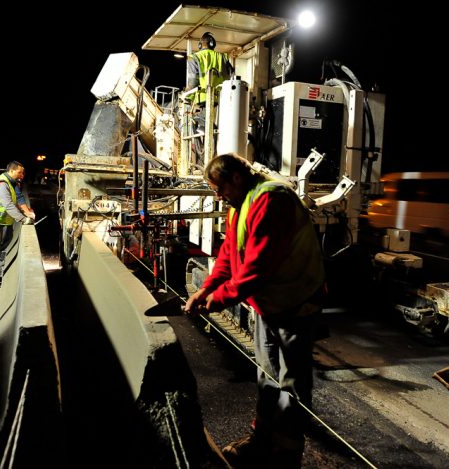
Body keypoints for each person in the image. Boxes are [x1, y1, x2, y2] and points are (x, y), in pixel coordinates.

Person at [184, 153, 325, 467]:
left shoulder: (272, 199)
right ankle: (262, 439)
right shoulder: (242, 202)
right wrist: (207, 288)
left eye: (219, 189)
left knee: (291, 385)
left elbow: (256, 269)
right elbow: (229, 254)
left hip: (296, 304)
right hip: (270, 304)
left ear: (235, 178)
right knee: (267, 377)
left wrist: (216, 300)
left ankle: (287, 453)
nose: (217, 196)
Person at [185, 32, 234, 166]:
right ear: (213, 45)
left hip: (203, 99)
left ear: (200, 44)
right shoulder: (222, 58)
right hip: (221, 99)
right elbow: (231, 74)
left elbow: (192, 82)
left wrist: (186, 98)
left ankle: (206, 162)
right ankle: (212, 159)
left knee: (199, 128)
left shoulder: (194, 57)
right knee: (213, 128)